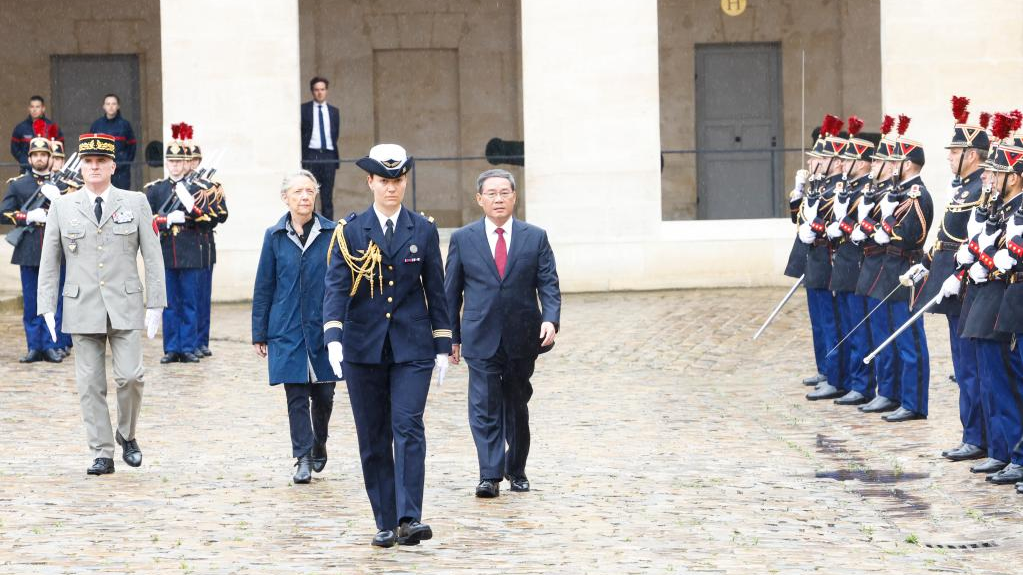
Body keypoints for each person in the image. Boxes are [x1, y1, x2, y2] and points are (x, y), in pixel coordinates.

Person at [322, 143, 450, 548]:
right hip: (363, 347)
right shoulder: (351, 231)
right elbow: (337, 288)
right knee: (373, 434)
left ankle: (410, 517)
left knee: (408, 426)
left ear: (405, 181)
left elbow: (437, 290)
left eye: (398, 180)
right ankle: (385, 519)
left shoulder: (423, 229)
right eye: (384, 180)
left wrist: (444, 343)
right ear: (370, 182)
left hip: (412, 347)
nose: (391, 188)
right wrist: (333, 337)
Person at [36, 133, 166, 475]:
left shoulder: (135, 202)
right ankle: (101, 451)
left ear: (112, 166)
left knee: (131, 377)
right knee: (90, 384)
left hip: (124, 303)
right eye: (88, 162)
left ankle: (127, 433)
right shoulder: (63, 207)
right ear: (81, 167)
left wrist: (156, 303)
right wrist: (46, 305)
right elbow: (50, 259)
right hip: (81, 306)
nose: (94, 168)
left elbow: (152, 255)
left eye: (100, 162)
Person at [444, 168, 561, 498]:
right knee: (483, 405)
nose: (498, 199)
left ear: (514, 197)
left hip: (522, 336)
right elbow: (451, 292)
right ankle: (489, 474)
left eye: (504, 193)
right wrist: (450, 336)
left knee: (515, 404)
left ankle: (516, 467)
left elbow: (548, 283)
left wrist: (550, 319)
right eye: (491, 194)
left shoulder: (534, 237)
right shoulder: (463, 239)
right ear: (479, 199)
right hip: (479, 336)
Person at [911, 100, 989, 461]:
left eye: (955, 151)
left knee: (971, 368)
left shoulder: (979, 190)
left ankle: (978, 437)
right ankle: (972, 433)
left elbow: (973, 242)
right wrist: (927, 263)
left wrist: (957, 274)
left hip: (967, 284)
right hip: (949, 280)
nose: (949, 157)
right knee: (962, 366)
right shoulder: (962, 188)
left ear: (972, 155)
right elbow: (947, 233)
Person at [252, 170, 338, 484]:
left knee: (325, 394)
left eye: (309, 191)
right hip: (286, 326)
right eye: (298, 192)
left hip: (322, 325)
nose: (304, 197)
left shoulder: (332, 233)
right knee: (296, 395)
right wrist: (259, 332)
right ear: (285, 198)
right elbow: (264, 285)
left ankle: (319, 441)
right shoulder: (274, 236)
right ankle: (302, 456)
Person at [1, 125, 66, 363]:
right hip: (28, 248)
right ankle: (33, 346)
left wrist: (58, 201)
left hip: (52, 249)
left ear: (50, 158)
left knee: (51, 300)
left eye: (43, 155)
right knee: (30, 301)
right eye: (35, 155)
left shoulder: (61, 186)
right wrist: (26, 216)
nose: (39, 158)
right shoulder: (18, 185)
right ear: (29, 158)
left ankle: (50, 345)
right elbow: (3, 212)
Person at [826, 118, 879, 406]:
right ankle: (849, 379)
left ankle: (862, 384)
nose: (842, 164)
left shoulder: (865, 190)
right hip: (845, 262)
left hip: (857, 262)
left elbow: (859, 225)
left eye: (848, 159)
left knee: (860, 330)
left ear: (861, 162)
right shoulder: (849, 188)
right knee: (847, 327)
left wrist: (843, 224)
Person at [144, 124, 206, 364]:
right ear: (167, 163)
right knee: (169, 302)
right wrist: (166, 219)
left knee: (189, 302)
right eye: (172, 161)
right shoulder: (156, 190)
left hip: (189, 250)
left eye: (180, 162)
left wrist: (190, 209)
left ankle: (188, 346)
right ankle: (171, 347)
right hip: (166, 251)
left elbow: (204, 217)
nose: (176, 165)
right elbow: (146, 220)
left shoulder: (195, 188)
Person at [300, 76, 340, 220]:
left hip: (329, 155)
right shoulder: (304, 109)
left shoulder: (334, 111)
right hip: (311, 155)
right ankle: (312, 226)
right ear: (312, 91)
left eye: (322, 89)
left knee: (327, 196)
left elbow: (335, 134)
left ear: (326, 91)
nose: (319, 93)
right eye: (316, 90)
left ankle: (329, 229)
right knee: (311, 194)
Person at [89, 94, 137, 190]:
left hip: (121, 172)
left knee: (122, 199)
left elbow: (132, 146)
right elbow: (90, 147)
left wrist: (124, 162)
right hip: (101, 170)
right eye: (108, 104)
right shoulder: (97, 125)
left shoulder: (125, 125)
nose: (111, 106)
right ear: (104, 106)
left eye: (114, 104)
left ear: (118, 106)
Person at [10, 95, 63, 173]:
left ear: (43, 108)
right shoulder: (20, 128)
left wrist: (51, 162)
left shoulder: (52, 127)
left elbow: (59, 148)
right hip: (27, 169)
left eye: (37, 107)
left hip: (49, 170)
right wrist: (26, 161)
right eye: (32, 107)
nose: (34, 110)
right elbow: (14, 149)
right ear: (29, 108)